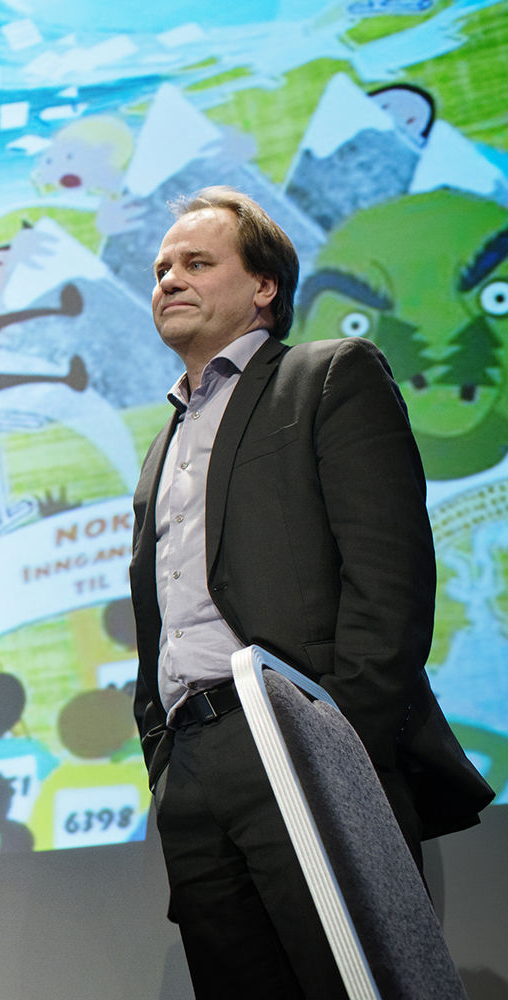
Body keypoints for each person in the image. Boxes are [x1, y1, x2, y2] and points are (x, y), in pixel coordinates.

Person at [129, 186, 493, 997]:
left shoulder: (327, 376)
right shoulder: (164, 442)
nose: (169, 280)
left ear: (264, 287)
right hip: (191, 764)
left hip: (299, 741)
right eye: (161, 268)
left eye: (196, 262)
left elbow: (389, 575)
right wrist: (163, 755)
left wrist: (338, 743)